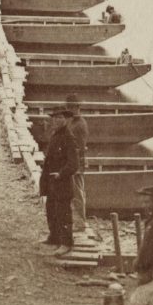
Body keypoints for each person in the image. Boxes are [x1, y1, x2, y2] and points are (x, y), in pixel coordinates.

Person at [39, 108, 79, 256]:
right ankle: (54, 237)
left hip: (62, 183)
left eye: (60, 117)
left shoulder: (69, 137)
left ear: (66, 120)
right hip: (51, 182)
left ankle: (66, 243)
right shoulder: (55, 135)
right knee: (51, 210)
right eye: (54, 118)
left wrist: (60, 174)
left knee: (63, 214)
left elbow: (74, 164)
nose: (56, 120)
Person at [66, 94, 89, 233]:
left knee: (77, 193)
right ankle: (76, 221)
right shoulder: (71, 122)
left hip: (77, 163)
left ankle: (80, 223)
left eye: (72, 107)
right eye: (68, 107)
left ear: (78, 107)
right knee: (74, 192)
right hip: (71, 161)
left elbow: (80, 147)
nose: (70, 109)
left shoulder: (80, 124)